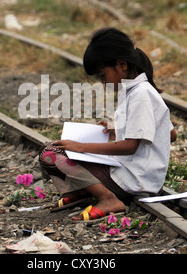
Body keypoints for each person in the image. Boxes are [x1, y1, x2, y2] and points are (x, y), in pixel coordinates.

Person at [39, 27, 176, 221]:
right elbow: (170, 134)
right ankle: (84, 192)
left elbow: (130, 146)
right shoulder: (138, 90)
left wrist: (81, 146)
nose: (103, 82)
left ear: (122, 65)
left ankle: (108, 198)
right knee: (59, 151)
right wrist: (118, 130)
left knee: (51, 155)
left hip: (132, 179)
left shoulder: (140, 95)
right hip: (138, 176)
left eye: (103, 75)